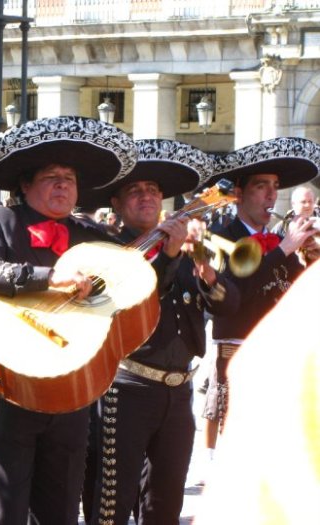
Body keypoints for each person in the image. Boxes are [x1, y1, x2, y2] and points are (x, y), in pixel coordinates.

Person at [0, 115, 138, 524]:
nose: (63, 185)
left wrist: (170, 247)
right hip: (11, 384)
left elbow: (131, 272)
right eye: (51, 177)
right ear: (25, 185)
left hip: (70, 389)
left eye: (69, 179)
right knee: (4, 512)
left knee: (60, 511)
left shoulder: (89, 232)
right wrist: (49, 277)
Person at [80, 139, 241, 525]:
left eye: (152, 189)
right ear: (116, 204)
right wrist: (168, 256)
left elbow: (228, 305)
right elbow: (139, 296)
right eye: (134, 190)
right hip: (126, 388)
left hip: (178, 390)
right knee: (111, 503)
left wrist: (207, 274)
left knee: (165, 504)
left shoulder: (183, 248)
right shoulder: (108, 248)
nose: (146, 196)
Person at [203, 137, 320, 441]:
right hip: (238, 357)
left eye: (275, 186)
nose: (272, 195)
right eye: (261, 186)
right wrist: (283, 250)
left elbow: (297, 297)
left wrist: (312, 260)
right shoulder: (221, 235)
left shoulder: (279, 240)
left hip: (279, 357)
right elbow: (233, 296)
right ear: (239, 194)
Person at [195, 257, 320, 525]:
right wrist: (282, 250)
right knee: (220, 408)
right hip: (237, 338)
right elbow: (232, 293)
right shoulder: (239, 244)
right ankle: (211, 460)